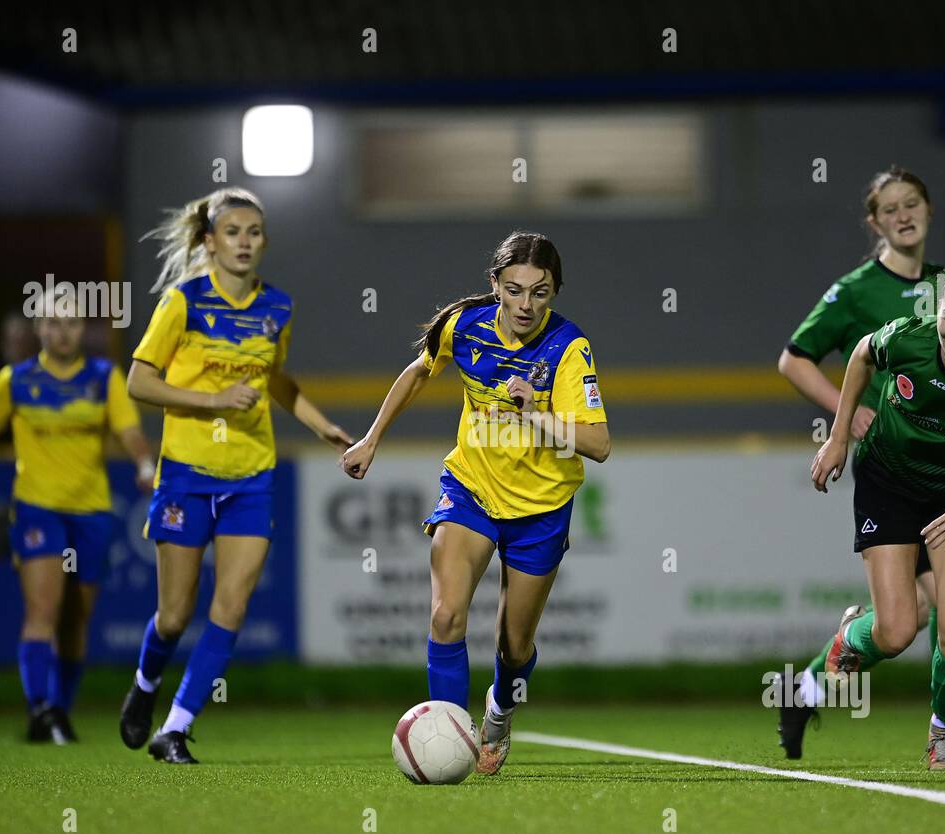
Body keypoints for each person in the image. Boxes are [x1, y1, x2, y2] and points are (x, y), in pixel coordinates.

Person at [777, 166, 945, 760]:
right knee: (900, 629)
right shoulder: (899, 321)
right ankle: (833, 658)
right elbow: (846, 353)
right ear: (873, 222)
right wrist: (840, 434)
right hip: (889, 483)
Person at [341, 231, 610, 775]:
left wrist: (534, 413)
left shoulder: (568, 347)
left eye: (541, 292)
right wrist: (372, 437)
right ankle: (445, 734)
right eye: (514, 290)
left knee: (513, 649)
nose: (526, 305)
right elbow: (420, 370)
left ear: (555, 293)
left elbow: (599, 444)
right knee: (445, 615)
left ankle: (499, 711)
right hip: (472, 490)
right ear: (495, 285)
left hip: (540, 508)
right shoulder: (463, 326)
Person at [118, 187, 353, 764]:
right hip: (187, 474)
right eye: (232, 232)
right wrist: (214, 400)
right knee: (174, 616)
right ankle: (145, 687)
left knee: (231, 607)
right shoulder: (183, 302)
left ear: (264, 242)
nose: (243, 242)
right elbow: (139, 383)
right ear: (209, 241)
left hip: (251, 475)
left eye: (253, 232)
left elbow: (276, 379)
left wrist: (320, 425)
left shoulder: (278, 308)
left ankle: (174, 727)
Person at [0, 298, 153, 743]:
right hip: (37, 508)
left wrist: (144, 465)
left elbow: (130, 432)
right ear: (38, 329)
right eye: (52, 322)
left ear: (82, 329)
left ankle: (57, 710)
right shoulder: (15, 381)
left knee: (76, 618)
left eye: (70, 323)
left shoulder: (105, 378)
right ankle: (41, 707)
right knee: (42, 610)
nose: (61, 331)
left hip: (92, 513)